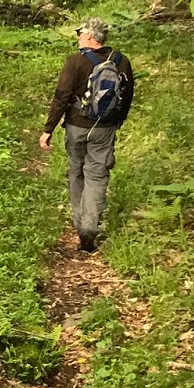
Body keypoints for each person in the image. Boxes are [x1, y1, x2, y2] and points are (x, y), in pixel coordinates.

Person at [39, 16, 135, 253]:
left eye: (81, 34)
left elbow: (62, 95)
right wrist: (117, 121)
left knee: (76, 171)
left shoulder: (75, 62)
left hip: (76, 125)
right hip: (105, 128)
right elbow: (128, 95)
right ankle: (90, 227)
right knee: (97, 174)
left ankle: (80, 222)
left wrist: (48, 129)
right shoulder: (122, 61)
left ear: (91, 36)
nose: (79, 38)